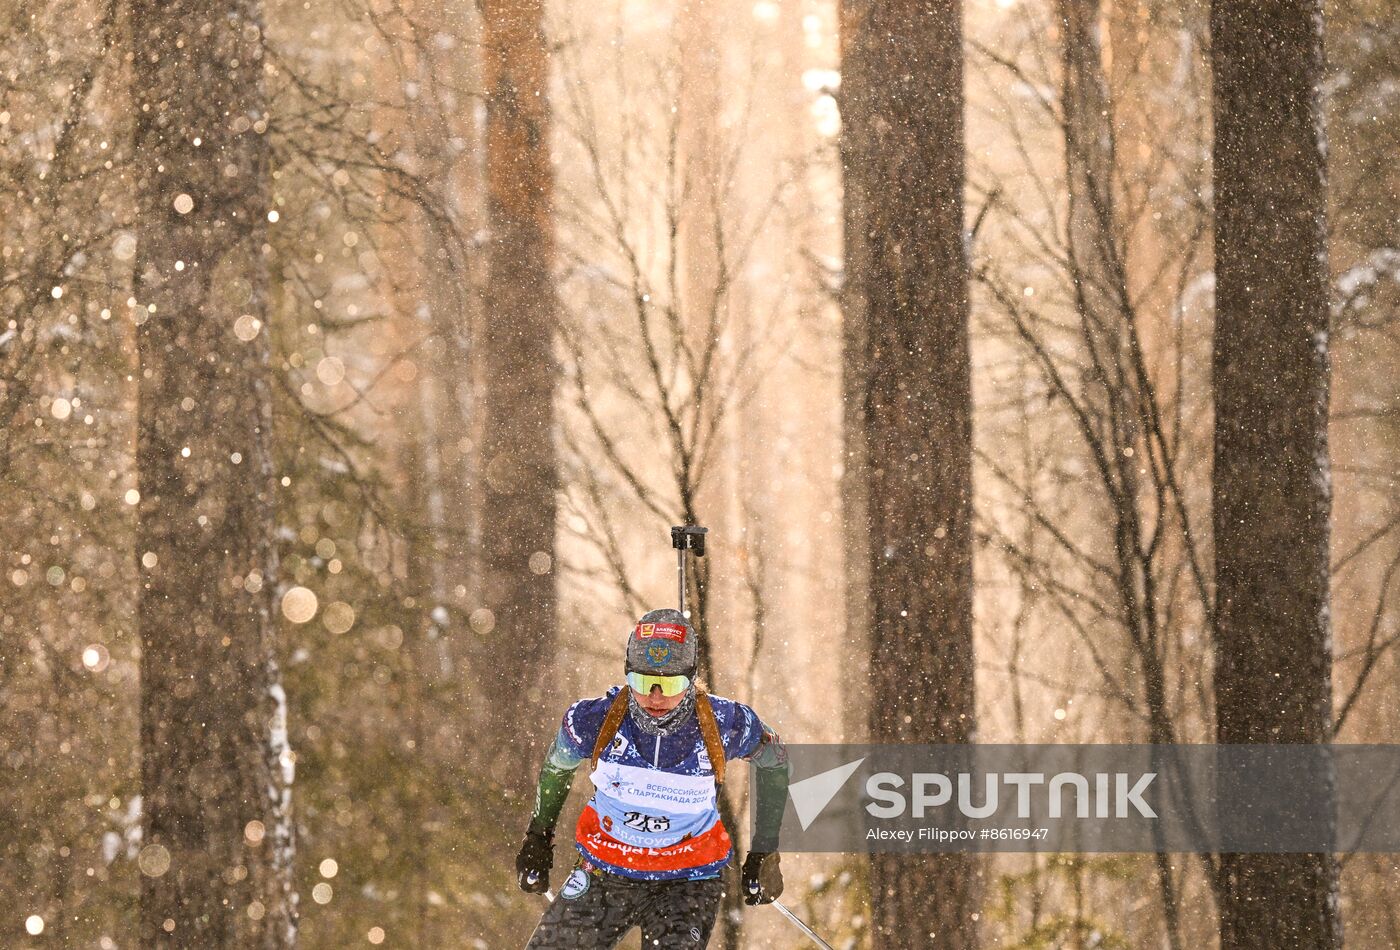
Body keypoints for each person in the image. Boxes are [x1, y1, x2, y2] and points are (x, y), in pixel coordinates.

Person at [516, 608, 790, 948]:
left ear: (691, 679)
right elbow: (558, 766)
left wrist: (765, 850)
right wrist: (538, 837)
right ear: (627, 675)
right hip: (605, 871)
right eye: (642, 682)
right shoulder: (593, 720)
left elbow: (775, 760)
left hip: (686, 882)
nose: (655, 696)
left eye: (671, 683)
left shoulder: (725, 723)